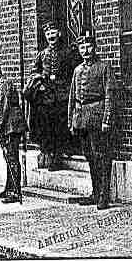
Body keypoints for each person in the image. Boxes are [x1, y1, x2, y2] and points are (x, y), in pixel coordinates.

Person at [68, 33, 117, 210]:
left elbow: (110, 94)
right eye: (82, 48)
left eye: (88, 47)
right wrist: (71, 121)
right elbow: (72, 98)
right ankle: (95, 193)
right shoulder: (77, 70)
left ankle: (104, 196)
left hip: (97, 118)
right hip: (81, 119)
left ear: (94, 48)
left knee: (102, 157)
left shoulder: (104, 67)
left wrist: (107, 119)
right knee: (89, 157)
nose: (86, 50)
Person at [26, 19, 81, 171]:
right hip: (47, 97)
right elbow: (33, 71)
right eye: (48, 33)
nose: (51, 35)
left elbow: (74, 72)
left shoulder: (67, 53)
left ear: (59, 34)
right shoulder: (42, 55)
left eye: (53, 32)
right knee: (47, 126)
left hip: (62, 96)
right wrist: (39, 80)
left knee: (60, 127)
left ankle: (58, 156)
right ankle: (49, 154)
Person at [0, 62, 27, 204]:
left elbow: (2, 107)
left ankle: (16, 192)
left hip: (11, 126)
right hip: (7, 126)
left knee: (12, 158)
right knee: (8, 158)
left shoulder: (4, 84)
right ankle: (9, 188)